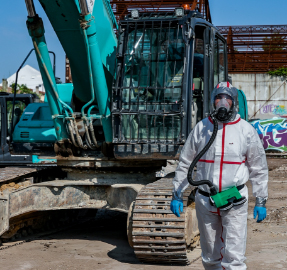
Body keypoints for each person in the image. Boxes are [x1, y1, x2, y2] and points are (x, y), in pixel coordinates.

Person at [170, 82, 268, 270]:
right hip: (205, 200)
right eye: (218, 98)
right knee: (209, 255)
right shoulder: (202, 128)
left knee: (234, 256)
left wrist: (261, 199)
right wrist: (177, 193)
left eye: (227, 98)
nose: (222, 102)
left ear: (234, 102)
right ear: (212, 101)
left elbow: (259, 167)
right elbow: (185, 162)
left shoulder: (245, 130)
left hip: (234, 199)